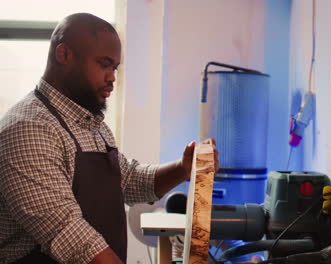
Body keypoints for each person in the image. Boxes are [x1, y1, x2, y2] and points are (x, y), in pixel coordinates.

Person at [0, 13, 217, 264]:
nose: (112, 77)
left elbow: (129, 180)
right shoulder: (29, 129)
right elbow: (70, 236)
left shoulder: (90, 122)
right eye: (104, 64)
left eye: (114, 67)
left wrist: (182, 168)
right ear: (64, 55)